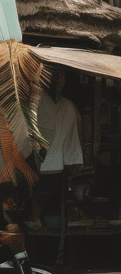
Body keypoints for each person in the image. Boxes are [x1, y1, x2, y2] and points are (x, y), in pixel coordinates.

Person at [33, 68, 84, 263]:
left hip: (58, 167)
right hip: (39, 166)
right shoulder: (37, 103)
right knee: (41, 204)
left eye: (62, 77)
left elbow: (75, 134)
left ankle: (58, 255)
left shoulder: (68, 107)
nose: (59, 81)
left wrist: (73, 160)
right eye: (56, 76)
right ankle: (49, 255)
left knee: (56, 209)